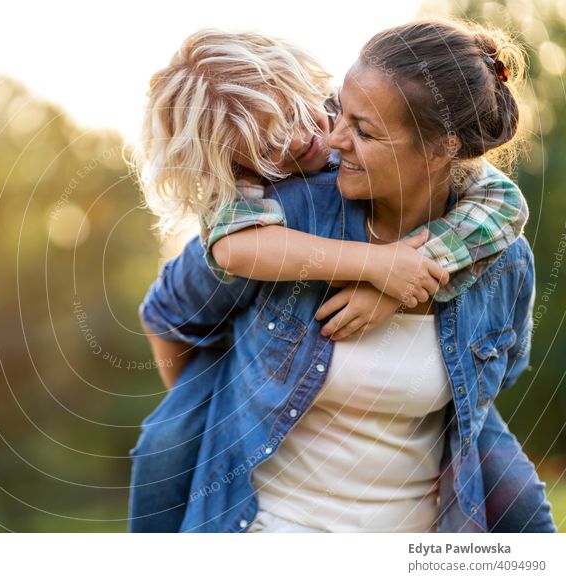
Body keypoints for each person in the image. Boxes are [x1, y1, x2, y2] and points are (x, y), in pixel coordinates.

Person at [130, 21, 555, 532]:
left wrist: (399, 287)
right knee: (167, 437)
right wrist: (225, 414)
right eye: (262, 150)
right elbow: (219, 259)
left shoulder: (501, 254)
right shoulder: (275, 209)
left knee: (523, 507)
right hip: (264, 526)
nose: (318, 139)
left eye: (362, 130)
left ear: (444, 147)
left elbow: (504, 206)